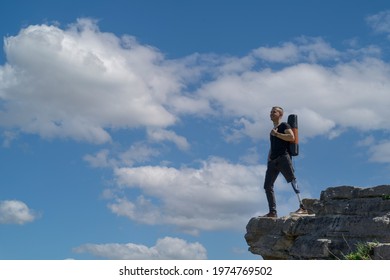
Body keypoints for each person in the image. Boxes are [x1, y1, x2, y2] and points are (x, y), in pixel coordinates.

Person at [262, 106, 308, 218]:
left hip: (283, 157)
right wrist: (269, 158)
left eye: (274, 112)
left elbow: (291, 137)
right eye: (271, 112)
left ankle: (302, 207)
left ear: (280, 115)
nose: (271, 113)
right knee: (267, 186)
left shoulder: (284, 126)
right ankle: (272, 212)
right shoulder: (272, 131)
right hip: (273, 161)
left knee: (292, 179)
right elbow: (272, 146)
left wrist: (277, 134)